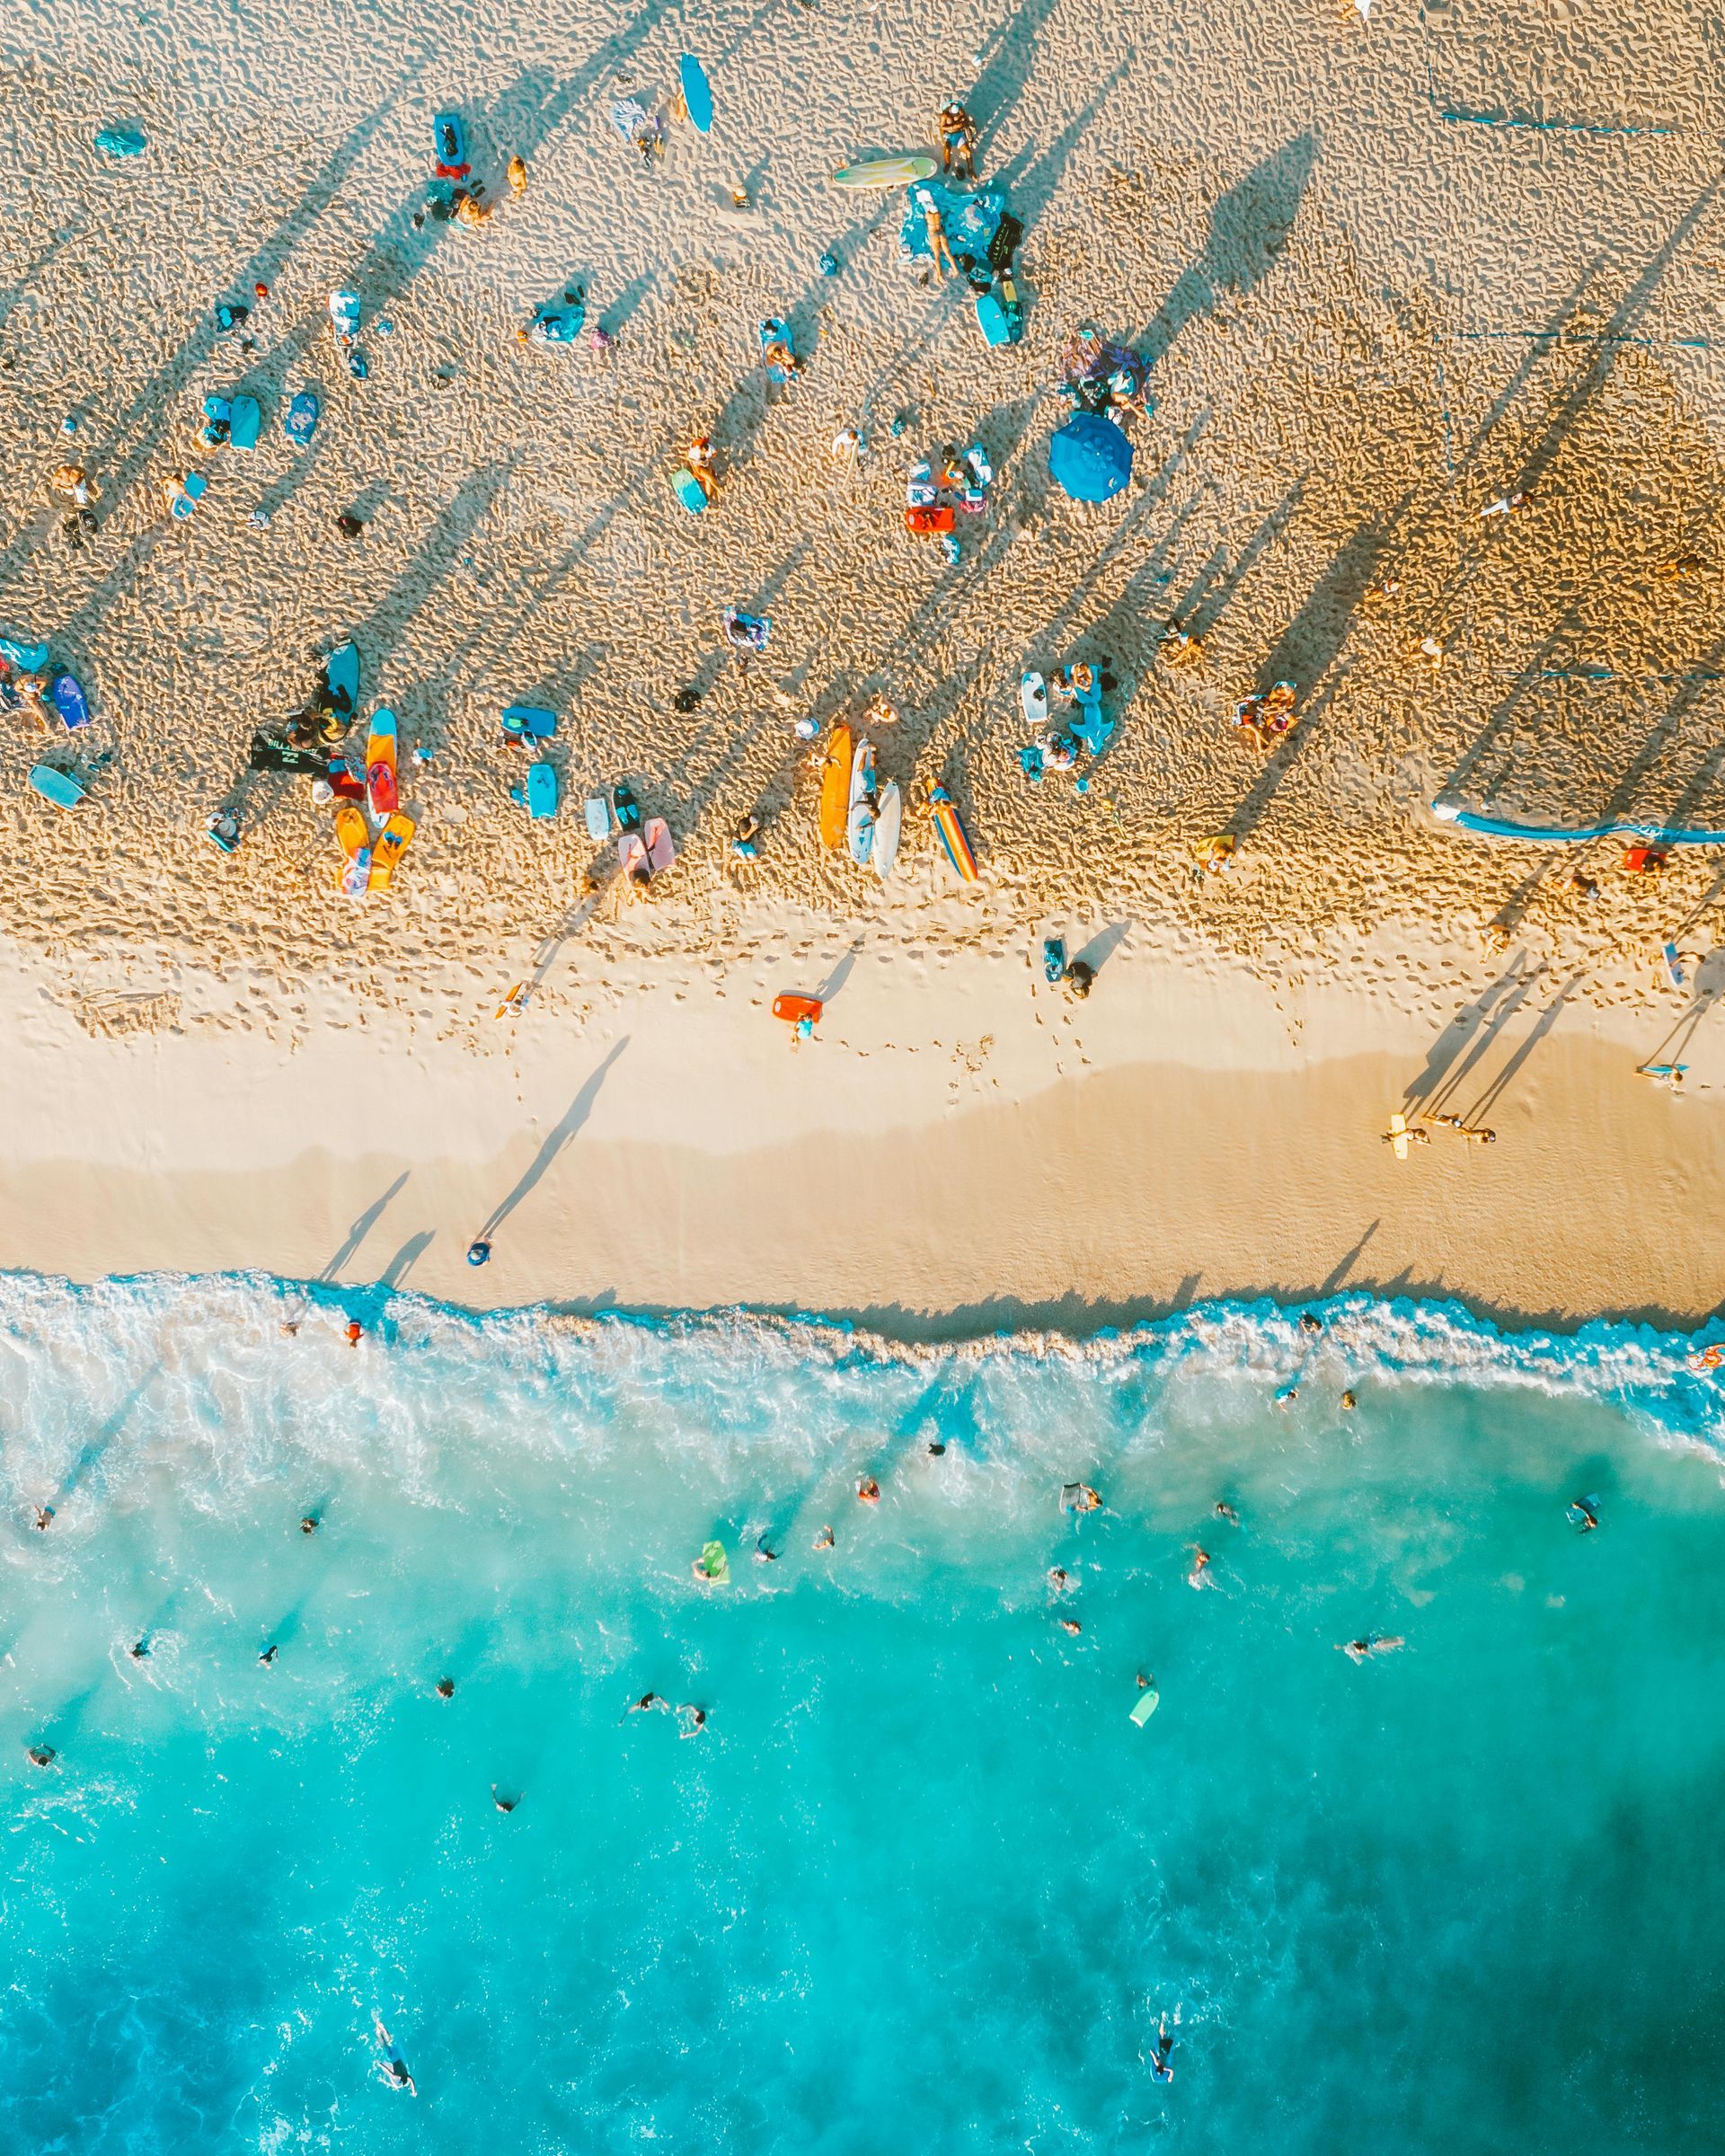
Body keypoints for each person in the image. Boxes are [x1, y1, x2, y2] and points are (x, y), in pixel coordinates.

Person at [374, 2016, 416, 2096]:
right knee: (384, 2046)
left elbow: (412, 2082)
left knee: (389, 2042)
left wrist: (413, 2091)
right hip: (392, 2059)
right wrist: (380, 2064)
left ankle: (383, 2029)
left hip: (397, 2057)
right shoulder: (396, 2076)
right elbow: (387, 2071)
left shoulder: (407, 2077)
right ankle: (378, 2034)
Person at [937, 102, 978, 176]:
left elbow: (965, 120)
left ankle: (970, 169)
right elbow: (942, 127)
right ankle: (947, 163)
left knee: (968, 152)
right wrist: (953, 127)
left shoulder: (960, 111)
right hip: (949, 135)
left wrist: (962, 122)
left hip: (958, 135)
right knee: (947, 149)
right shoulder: (944, 116)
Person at [1339, 1634, 1405, 1661]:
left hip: (1377, 1643)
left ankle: (1401, 1641)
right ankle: (1400, 1640)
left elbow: (1365, 1651)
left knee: (1398, 1642)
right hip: (1376, 1641)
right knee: (1394, 1641)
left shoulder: (1358, 1645)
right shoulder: (1356, 1644)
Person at [1152, 2015, 1174, 2081]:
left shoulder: (1165, 2068)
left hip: (1167, 2051)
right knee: (1162, 2035)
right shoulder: (1157, 2063)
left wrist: (1170, 2078)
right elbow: (1153, 2055)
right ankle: (1163, 2020)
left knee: (1170, 2037)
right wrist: (1150, 2051)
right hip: (1162, 2050)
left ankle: (1171, 2022)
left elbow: (1171, 2071)